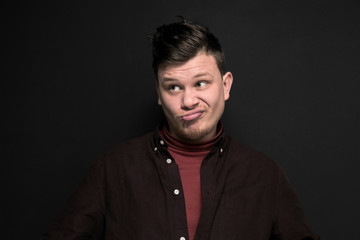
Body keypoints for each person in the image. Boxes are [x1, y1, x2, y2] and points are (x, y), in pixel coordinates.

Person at [43, 18, 319, 240]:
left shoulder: (264, 175)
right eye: (173, 87)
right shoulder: (113, 169)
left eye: (200, 83)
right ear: (159, 93)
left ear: (225, 86)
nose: (188, 101)